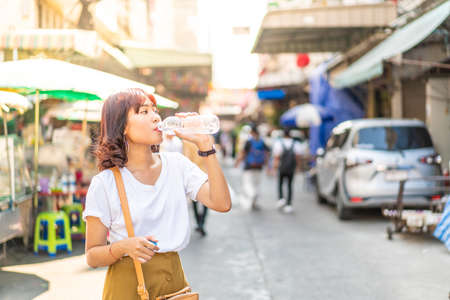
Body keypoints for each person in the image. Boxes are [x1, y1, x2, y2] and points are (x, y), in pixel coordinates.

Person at [83, 89, 231, 300]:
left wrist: (206, 147)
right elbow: (92, 256)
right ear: (122, 126)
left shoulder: (176, 165)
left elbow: (222, 203)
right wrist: (123, 246)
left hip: (175, 283)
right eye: (144, 111)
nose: (156, 117)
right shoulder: (105, 183)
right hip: (127, 287)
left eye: (155, 110)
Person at [235, 125, 270, 210]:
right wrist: (267, 165)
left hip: (249, 166)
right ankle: (254, 202)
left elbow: (243, 153)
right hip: (259, 166)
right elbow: (267, 153)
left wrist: (237, 162)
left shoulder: (249, 142)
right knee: (256, 184)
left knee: (247, 183)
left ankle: (252, 195)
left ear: (251, 132)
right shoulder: (262, 141)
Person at [271, 128, 305, 214]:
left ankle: (281, 198)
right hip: (291, 168)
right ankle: (289, 204)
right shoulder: (296, 144)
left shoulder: (279, 143)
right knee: (290, 185)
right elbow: (298, 157)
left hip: (281, 167)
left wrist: (274, 168)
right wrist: (299, 167)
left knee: (280, 183)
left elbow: (276, 157)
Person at [183, 140, 209, 237]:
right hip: (206, 172)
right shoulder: (207, 138)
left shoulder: (187, 142)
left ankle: (199, 222)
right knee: (207, 201)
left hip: (194, 174)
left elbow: (187, 158)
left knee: (195, 201)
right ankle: (202, 222)